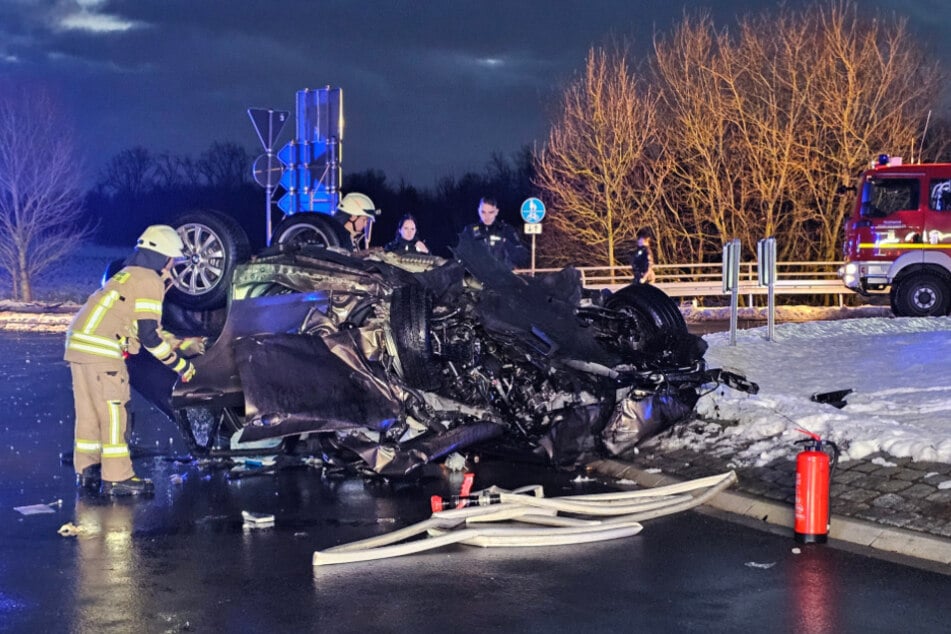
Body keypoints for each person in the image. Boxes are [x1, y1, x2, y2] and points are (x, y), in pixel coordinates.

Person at [65, 225, 204, 496]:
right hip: (103, 351)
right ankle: (118, 478)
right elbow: (150, 338)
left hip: (80, 346)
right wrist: (182, 366)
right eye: (173, 259)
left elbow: (147, 329)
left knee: (89, 414)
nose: (173, 265)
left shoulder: (128, 275)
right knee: (114, 414)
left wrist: (186, 344)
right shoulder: (148, 281)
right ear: (163, 257)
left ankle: (88, 471)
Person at [457, 196, 529, 268]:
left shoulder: (506, 230)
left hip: (502, 275)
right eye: (483, 212)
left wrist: (506, 243)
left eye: (490, 212)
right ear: (478, 211)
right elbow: (460, 256)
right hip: (478, 275)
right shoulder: (470, 231)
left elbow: (522, 257)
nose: (487, 216)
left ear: (496, 212)